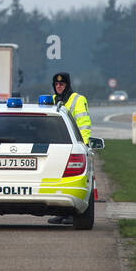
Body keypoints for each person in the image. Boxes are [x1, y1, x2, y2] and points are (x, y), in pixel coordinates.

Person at [48, 72, 90, 224]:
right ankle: (61, 214)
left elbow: (84, 124)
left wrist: (83, 146)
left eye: (62, 84)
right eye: (56, 84)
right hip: (53, 146)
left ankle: (73, 214)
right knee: (57, 181)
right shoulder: (51, 100)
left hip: (71, 145)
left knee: (70, 181)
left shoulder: (78, 100)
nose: (59, 86)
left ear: (67, 85)